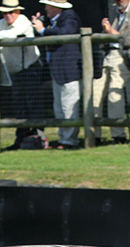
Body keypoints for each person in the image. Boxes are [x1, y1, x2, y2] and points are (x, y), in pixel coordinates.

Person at [0, 0, 44, 150]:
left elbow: (9, 35)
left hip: (30, 68)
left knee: (32, 103)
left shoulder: (24, 22)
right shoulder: (1, 23)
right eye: (5, 12)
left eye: (10, 12)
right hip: (15, 71)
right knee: (19, 105)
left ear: (18, 11)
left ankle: (39, 138)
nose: (7, 15)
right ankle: (21, 139)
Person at [93, 0, 130, 144]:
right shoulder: (116, 11)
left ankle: (118, 135)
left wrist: (114, 33)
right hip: (108, 56)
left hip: (124, 57)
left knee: (114, 93)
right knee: (95, 93)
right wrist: (106, 32)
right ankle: (94, 135)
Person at [32, 0, 82, 150]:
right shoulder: (53, 20)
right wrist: (38, 25)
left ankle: (69, 141)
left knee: (69, 106)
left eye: (48, 5)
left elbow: (63, 33)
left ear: (55, 7)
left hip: (68, 70)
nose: (45, 8)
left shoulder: (69, 17)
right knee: (59, 107)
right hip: (57, 70)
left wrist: (42, 30)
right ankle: (63, 139)